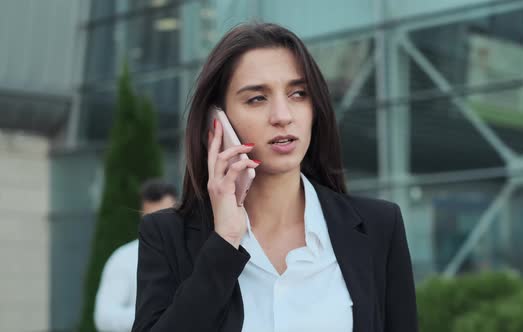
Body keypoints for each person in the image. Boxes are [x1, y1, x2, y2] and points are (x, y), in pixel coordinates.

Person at [132, 23, 417, 332]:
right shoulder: (168, 235)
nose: (282, 115)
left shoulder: (379, 225)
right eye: (257, 98)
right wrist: (225, 242)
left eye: (298, 93)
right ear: (217, 121)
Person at [94, 179, 177, 332]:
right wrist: (156, 313)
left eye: (164, 217)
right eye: (151, 219)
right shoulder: (123, 258)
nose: (158, 226)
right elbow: (104, 317)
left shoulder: (193, 251)